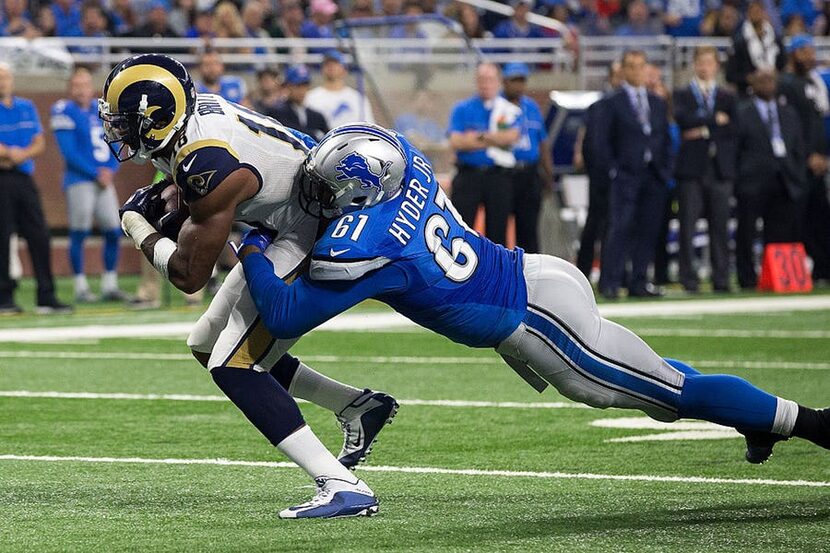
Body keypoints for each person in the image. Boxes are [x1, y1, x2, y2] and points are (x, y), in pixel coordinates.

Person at [234, 124, 830, 491]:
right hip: (537, 276)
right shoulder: (405, 164)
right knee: (654, 378)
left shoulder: (372, 246)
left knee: (666, 395)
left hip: (536, 321)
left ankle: (811, 423)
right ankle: (754, 418)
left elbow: (286, 316)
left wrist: (254, 247)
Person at [100, 54, 395, 519]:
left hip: (311, 226)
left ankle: (342, 485)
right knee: (205, 344)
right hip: (283, 219)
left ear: (154, 119)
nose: (115, 130)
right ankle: (356, 406)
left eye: (121, 121)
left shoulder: (206, 159)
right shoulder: (191, 123)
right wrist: (170, 195)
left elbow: (188, 275)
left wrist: (139, 226)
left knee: (233, 365)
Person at [595, 50, 672, 299]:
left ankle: (639, 280)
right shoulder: (613, 102)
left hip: (653, 174)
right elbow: (602, 141)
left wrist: (665, 170)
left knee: (649, 229)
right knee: (620, 227)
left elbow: (664, 138)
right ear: (624, 70)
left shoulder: (658, 102)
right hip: (626, 174)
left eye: (641, 65)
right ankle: (611, 281)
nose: (637, 70)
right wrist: (613, 170)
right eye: (632, 66)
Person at [50, 67, 127, 303]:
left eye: (84, 84)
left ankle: (109, 284)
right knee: (79, 232)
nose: (81, 90)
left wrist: (112, 169)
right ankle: (81, 286)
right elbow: (68, 152)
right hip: (80, 179)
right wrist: (96, 172)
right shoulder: (63, 110)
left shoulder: (100, 109)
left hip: (104, 180)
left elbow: (117, 141)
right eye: (76, 85)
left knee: (113, 231)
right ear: (69, 88)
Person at [0, 63, 71, 314]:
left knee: (39, 235)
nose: (3, 81)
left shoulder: (25, 106)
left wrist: (18, 154)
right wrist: (10, 153)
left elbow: (39, 142)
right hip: (2, 179)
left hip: (23, 178)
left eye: (6, 76)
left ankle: (46, 294)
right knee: (2, 238)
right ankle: (4, 297)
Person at [734, 69, 807, 289]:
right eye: (762, 80)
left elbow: (797, 146)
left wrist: (797, 173)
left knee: (779, 230)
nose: (767, 84)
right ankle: (746, 278)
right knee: (747, 231)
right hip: (752, 180)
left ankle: (778, 276)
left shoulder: (788, 112)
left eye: (771, 80)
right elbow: (736, 149)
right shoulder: (742, 111)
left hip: (784, 178)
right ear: (752, 84)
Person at [673, 46, 737, 294]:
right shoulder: (683, 94)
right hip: (692, 170)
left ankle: (721, 278)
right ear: (695, 65)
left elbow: (734, 130)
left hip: (719, 169)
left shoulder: (726, 96)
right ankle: (689, 278)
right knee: (688, 226)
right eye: (701, 62)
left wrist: (701, 128)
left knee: (720, 227)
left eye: (709, 63)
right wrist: (714, 122)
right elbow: (683, 120)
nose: (705, 67)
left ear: (716, 66)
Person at [447, 62, 521, 247]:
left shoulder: (507, 110)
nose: (485, 84)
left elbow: (511, 137)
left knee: (498, 233)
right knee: (461, 230)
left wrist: (476, 138)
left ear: (498, 82)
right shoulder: (462, 109)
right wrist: (493, 139)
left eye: (490, 79)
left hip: (498, 176)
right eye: (482, 79)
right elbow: (456, 142)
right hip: (469, 174)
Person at [777, 35, 830, 283]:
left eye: (811, 50)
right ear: (793, 54)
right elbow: (792, 127)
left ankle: (822, 268)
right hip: (799, 164)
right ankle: (799, 269)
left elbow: (818, 124)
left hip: (819, 162)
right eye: (804, 51)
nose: (809, 55)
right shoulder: (788, 84)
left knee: (821, 217)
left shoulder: (814, 83)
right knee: (800, 218)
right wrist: (808, 155)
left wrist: (824, 156)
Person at [575, 61, 621, 279]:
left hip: (623, 175)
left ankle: (614, 273)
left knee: (614, 225)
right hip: (602, 176)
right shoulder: (601, 106)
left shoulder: (631, 103)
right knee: (596, 223)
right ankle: (584, 271)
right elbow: (590, 141)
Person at [502, 62, 549, 253]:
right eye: (514, 81)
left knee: (529, 228)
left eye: (521, 81)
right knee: (499, 226)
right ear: (505, 82)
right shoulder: (498, 106)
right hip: (505, 173)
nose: (518, 86)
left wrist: (547, 172)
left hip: (529, 172)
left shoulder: (531, 106)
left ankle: (532, 276)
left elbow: (542, 141)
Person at [726, 0, 786, 96]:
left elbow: (782, 65)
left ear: (765, 13)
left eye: (759, 11)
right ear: (747, 14)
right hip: (747, 92)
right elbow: (730, 75)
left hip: (774, 90)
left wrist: (774, 75)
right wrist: (748, 78)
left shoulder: (775, 38)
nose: (756, 14)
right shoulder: (739, 41)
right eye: (753, 11)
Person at [304, 50, 374, 129]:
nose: (331, 67)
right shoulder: (310, 96)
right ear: (322, 69)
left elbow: (369, 126)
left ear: (345, 70)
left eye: (335, 64)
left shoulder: (357, 97)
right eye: (327, 64)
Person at [268, 65, 329, 142]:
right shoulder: (277, 112)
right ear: (288, 86)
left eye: (305, 85)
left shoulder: (316, 116)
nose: (302, 90)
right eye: (298, 86)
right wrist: (314, 134)